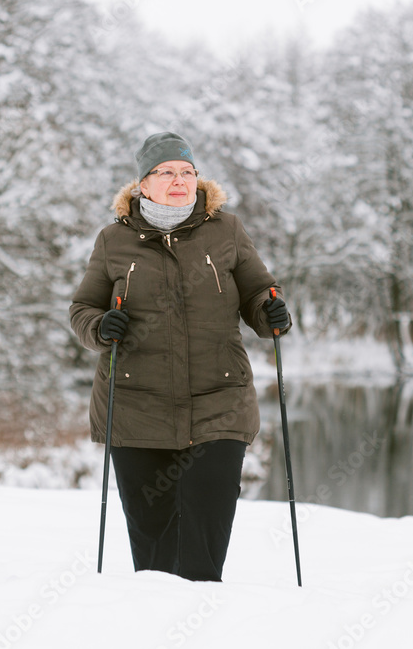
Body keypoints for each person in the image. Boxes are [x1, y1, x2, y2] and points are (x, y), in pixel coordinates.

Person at [69, 131, 291, 582]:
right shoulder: (114, 241)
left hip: (219, 400)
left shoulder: (226, 230)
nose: (179, 180)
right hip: (135, 406)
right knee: (154, 556)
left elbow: (256, 291)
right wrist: (99, 327)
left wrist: (270, 311)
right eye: (166, 171)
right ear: (142, 184)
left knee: (202, 549)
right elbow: (82, 310)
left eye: (187, 172)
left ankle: (203, 618)